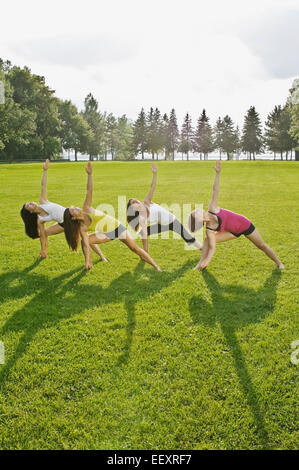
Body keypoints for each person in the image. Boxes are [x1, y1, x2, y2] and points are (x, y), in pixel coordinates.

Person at [63, 162, 161, 271]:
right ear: (73, 218)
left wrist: (89, 175)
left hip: (118, 228)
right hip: (106, 234)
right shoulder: (82, 228)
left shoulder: (86, 208)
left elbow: (89, 190)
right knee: (85, 241)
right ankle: (89, 264)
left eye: (75, 207)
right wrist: (87, 261)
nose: (77, 208)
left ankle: (156, 267)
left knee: (135, 249)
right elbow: (86, 245)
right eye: (74, 210)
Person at [188, 161, 284, 270]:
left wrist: (218, 173)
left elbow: (215, 190)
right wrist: (207, 261)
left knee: (261, 245)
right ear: (200, 220)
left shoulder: (212, 208)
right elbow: (212, 248)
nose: (199, 210)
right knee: (208, 241)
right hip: (232, 232)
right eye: (197, 212)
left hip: (244, 225)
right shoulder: (209, 230)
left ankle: (279, 263)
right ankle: (200, 265)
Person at [20, 159, 107, 262]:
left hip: (72, 218)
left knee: (85, 238)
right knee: (44, 233)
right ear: (30, 212)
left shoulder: (43, 201)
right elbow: (43, 236)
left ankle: (102, 257)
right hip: (62, 224)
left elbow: (43, 185)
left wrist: (45, 171)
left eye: (29, 202)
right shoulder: (40, 220)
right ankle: (44, 252)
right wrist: (43, 249)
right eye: (28, 205)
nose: (31, 203)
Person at [127, 163, 202, 253]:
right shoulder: (141, 218)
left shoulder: (147, 201)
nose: (137, 202)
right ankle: (145, 253)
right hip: (162, 225)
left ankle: (204, 249)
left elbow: (152, 187)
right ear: (133, 208)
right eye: (133, 203)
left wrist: (155, 174)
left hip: (173, 221)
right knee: (143, 232)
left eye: (136, 200)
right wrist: (146, 251)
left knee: (188, 237)